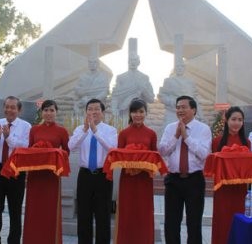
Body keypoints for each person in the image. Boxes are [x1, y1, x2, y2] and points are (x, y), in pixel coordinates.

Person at [159, 95, 211, 244]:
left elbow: (204, 154)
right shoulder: (170, 128)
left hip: (194, 180)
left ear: (193, 109)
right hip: (173, 179)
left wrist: (186, 137)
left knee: (194, 222)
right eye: (178, 107)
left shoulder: (203, 129)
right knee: (171, 223)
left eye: (184, 107)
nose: (180, 110)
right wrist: (176, 136)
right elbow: (163, 151)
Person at [68, 98, 117, 244]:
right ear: (86, 112)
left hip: (103, 175)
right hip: (85, 175)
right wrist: (85, 130)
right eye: (90, 109)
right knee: (84, 214)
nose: (93, 112)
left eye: (96, 109)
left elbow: (111, 149)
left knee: (103, 214)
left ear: (102, 112)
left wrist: (95, 131)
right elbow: (71, 147)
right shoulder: (79, 129)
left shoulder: (111, 130)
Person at [0, 96, 31, 244]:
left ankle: (14, 241)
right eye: (7, 107)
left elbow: (24, 146)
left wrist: (8, 137)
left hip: (16, 171)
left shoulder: (26, 126)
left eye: (13, 107)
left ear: (19, 110)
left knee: (15, 210)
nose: (9, 110)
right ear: (3, 108)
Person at [23, 99, 70, 243]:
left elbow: (66, 152)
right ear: (41, 112)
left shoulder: (62, 131)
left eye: (51, 110)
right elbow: (29, 149)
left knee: (50, 211)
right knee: (33, 210)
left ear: (56, 112)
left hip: (51, 177)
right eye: (46, 110)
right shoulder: (34, 129)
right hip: (35, 176)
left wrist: (53, 154)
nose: (49, 113)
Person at [115, 98, 158, 244]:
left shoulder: (151, 134)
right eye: (134, 111)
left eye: (141, 111)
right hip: (127, 179)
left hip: (145, 179)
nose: (138, 115)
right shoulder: (123, 134)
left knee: (144, 212)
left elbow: (154, 157)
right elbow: (119, 157)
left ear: (146, 113)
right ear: (130, 113)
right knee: (127, 212)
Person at [210, 106, 250, 244]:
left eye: (240, 120)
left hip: (240, 189)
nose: (237, 123)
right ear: (226, 120)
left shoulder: (247, 142)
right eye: (233, 119)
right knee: (222, 219)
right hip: (223, 188)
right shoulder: (217, 142)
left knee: (239, 219)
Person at [111, 39, 154, 116]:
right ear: (128, 61)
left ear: (138, 62)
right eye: (131, 60)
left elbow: (151, 99)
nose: (132, 62)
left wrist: (143, 89)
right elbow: (115, 96)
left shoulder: (144, 78)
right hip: (124, 112)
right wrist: (114, 109)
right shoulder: (121, 77)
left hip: (139, 112)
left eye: (135, 60)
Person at [158, 60, 204, 127]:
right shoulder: (168, 81)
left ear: (184, 68)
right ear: (175, 68)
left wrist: (200, 115)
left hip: (188, 114)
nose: (179, 68)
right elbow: (162, 96)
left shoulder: (190, 82)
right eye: (177, 66)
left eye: (181, 66)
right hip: (172, 112)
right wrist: (172, 102)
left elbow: (195, 99)